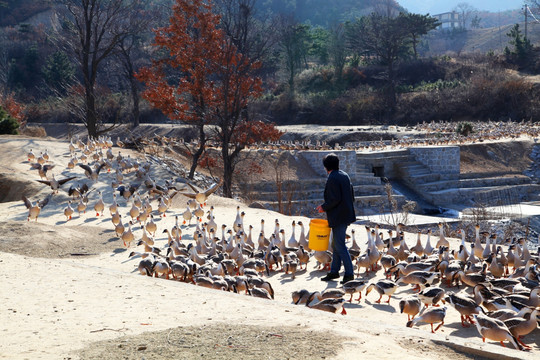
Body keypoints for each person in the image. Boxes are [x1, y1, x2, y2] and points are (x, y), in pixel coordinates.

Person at [316, 153, 356, 284]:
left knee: (339, 245)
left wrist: (324, 207)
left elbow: (335, 199)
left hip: (338, 216)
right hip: (346, 214)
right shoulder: (344, 175)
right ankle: (334, 271)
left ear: (326, 166)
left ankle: (349, 274)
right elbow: (351, 195)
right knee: (335, 244)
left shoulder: (332, 178)